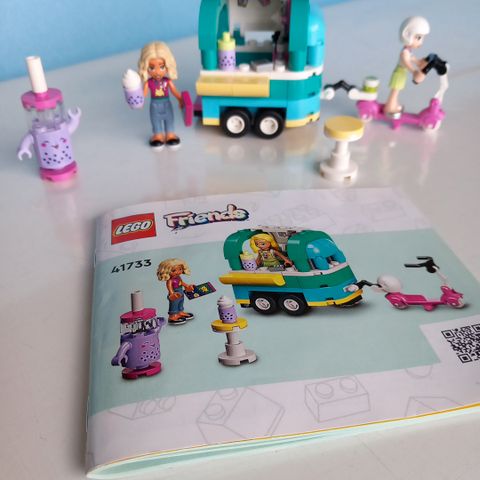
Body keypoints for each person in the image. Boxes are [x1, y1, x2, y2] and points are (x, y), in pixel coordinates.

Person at [138, 41, 184, 148]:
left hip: (166, 103)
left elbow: (174, 91)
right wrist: (139, 102)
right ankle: (158, 135)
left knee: (169, 119)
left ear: (168, 66)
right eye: (152, 68)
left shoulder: (167, 81)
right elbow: (144, 93)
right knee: (155, 120)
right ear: (145, 67)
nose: (157, 72)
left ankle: (170, 134)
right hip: (154, 104)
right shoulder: (148, 83)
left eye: (161, 67)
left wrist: (180, 99)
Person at [384, 17, 430, 117]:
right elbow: (406, 63)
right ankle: (389, 108)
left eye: (422, 38)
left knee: (397, 90)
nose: (421, 42)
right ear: (407, 35)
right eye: (418, 38)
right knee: (395, 91)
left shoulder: (408, 51)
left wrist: (419, 62)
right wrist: (414, 71)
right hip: (399, 73)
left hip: (401, 73)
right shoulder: (405, 52)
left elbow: (412, 59)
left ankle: (394, 105)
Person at [156, 258, 194, 325]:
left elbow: (182, 283)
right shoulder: (170, 280)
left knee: (181, 302)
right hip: (175, 293)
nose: (178, 272)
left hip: (181, 291)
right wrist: (172, 294)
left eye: (180, 269)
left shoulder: (178, 277)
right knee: (174, 304)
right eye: (174, 270)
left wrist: (187, 286)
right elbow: (169, 287)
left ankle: (180, 312)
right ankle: (172, 316)